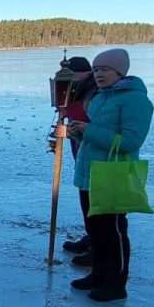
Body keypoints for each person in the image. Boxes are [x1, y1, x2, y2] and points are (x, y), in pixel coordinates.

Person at [68, 48, 154, 303]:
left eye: (104, 69)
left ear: (120, 71)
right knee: (95, 230)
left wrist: (90, 130)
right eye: (95, 70)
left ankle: (116, 283)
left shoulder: (135, 100)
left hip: (113, 175)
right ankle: (98, 274)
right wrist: (78, 132)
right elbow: (95, 134)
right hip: (90, 174)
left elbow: (130, 141)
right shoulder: (102, 97)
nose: (98, 74)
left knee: (113, 232)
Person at [60, 56, 98, 263]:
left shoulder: (94, 92)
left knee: (95, 201)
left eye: (73, 74)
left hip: (97, 156)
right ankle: (91, 237)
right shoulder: (80, 90)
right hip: (82, 153)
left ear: (85, 73)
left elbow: (91, 124)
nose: (70, 78)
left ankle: (98, 246)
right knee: (86, 198)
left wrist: (71, 127)